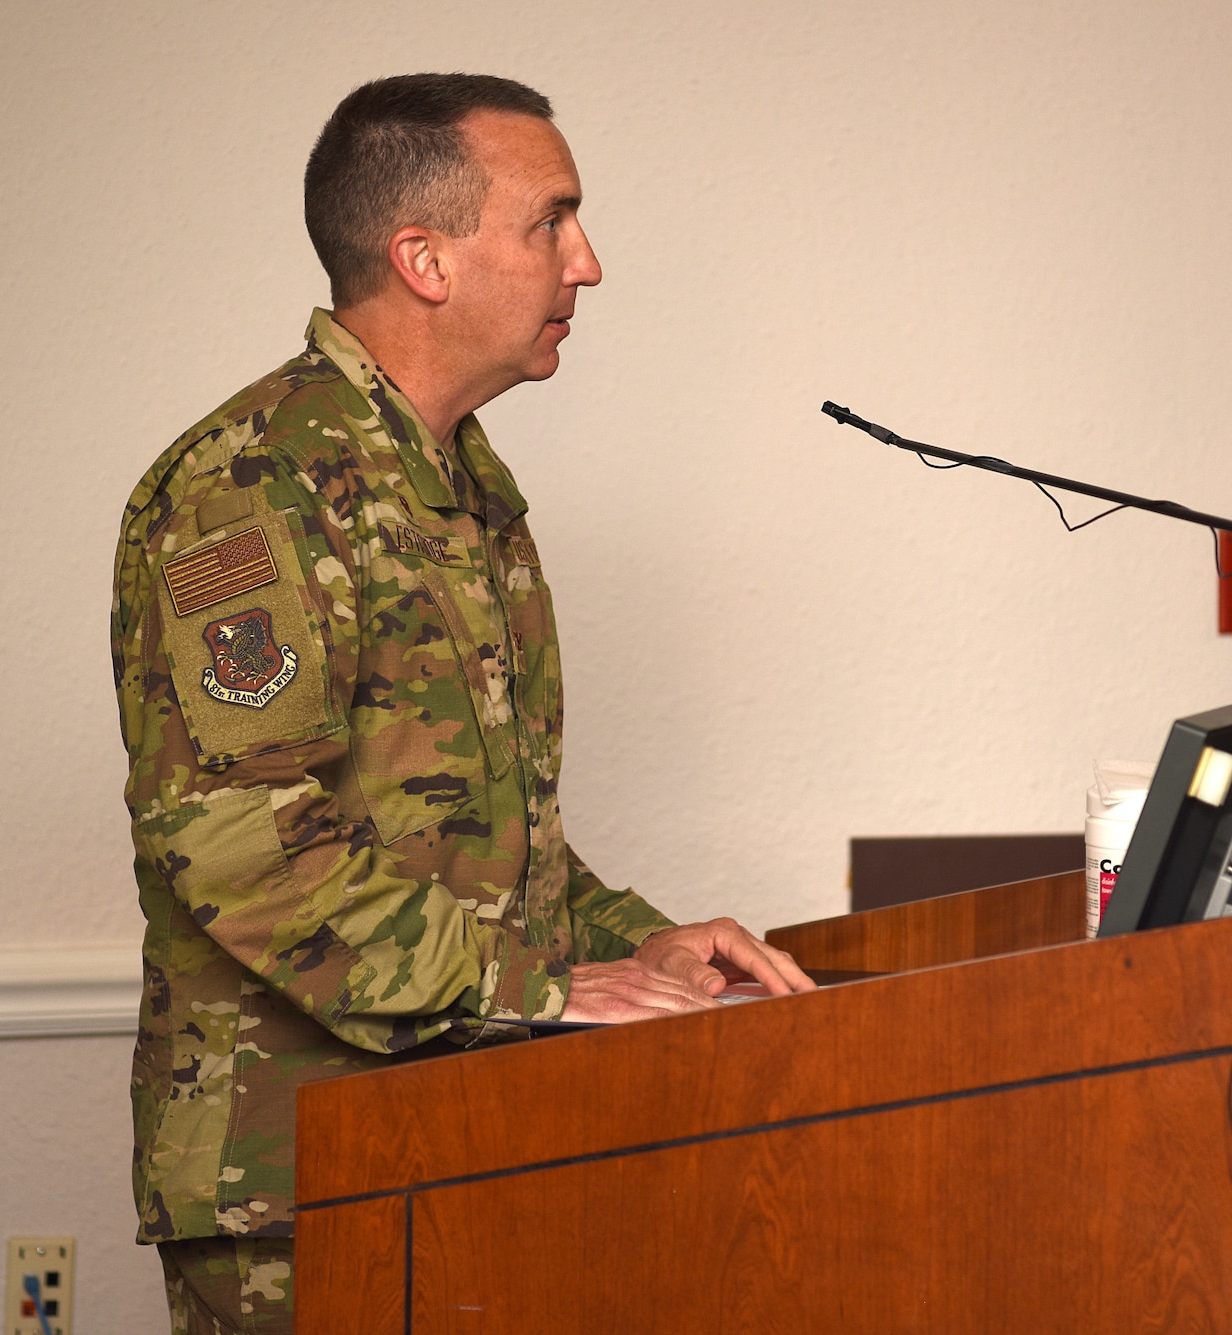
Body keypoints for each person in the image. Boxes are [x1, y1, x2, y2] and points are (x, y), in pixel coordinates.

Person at [109, 73, 814, 1334]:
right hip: (299, 1185)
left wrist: (633, 945)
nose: (585, 264)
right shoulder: (253, 487)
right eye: (551, 221)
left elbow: (483, 837)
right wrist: (544, 987)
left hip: (464, 1146)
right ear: (423, 257)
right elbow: (246, 848)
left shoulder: (464, 487)